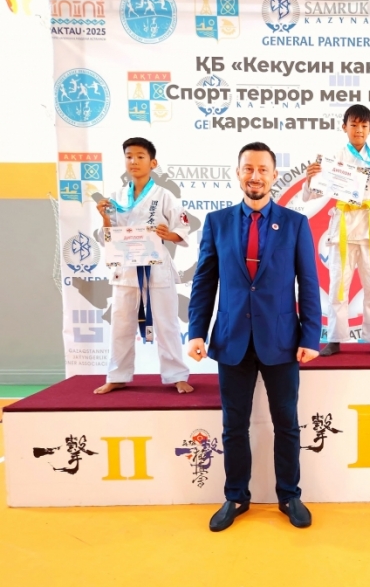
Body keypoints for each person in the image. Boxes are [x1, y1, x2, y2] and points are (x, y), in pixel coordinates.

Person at [187, 142, 322, 531]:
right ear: (238, 173)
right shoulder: (217, 222)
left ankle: (289, 495)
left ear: (274, 175)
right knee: (233, 426)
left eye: (263, 169)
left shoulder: (295, 224)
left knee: (287, 424)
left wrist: (311, 336)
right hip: (232, 340)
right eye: (248, 168)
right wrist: (196, 332)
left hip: (282, 340)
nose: (255, 176)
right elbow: (204, 282)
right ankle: (235, 496)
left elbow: (308, 283)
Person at [94, 137, 193, 394]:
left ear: (153, 163)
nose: (134, 161)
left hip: (156, 268)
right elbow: (110, 238)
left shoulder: (165, 196)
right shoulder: (115, 197)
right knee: (121, 324)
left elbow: (182, 228)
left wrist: (168, 234)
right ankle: (117, 375)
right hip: (126, 270)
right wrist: (105, 218)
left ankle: (176, 375)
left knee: (167, 323)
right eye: (129, 156)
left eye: (140, 156)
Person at [304, 104, 370, 357]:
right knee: (338, 285)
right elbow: (312, 193)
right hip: (343, 229)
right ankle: (335, 338)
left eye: (364, 125)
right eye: (354, 125)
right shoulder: (334, 158)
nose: (359, 130)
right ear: (344, 127)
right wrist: (311, 177)